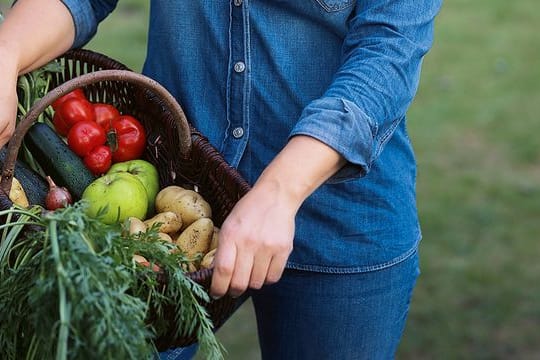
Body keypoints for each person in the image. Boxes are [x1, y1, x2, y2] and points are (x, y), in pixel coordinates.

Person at [0, 0, 442, 359]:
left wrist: (278, 192)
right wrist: (6, 52)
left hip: (340, 220)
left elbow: (389, 51)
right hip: (171, 200)